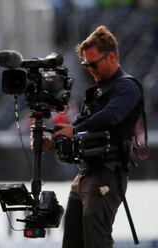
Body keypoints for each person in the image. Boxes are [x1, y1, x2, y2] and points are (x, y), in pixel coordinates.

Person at [39, 25, 144, 247]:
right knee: (72, 240)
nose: (90, 69)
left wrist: (75, 130)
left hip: (107, 172)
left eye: (94, 63)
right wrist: (53, 140)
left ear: (112, 57)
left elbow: (111, 116)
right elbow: (81, 123)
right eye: (86, 64)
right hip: (85, 172)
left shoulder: (127, 87)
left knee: (97, 240)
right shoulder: (96, 92)